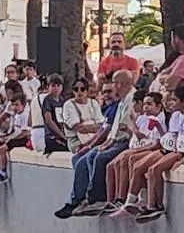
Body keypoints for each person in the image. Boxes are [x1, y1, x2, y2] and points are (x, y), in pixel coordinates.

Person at [54, 68, 136, 217]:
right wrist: (102, 142)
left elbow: (121, 127)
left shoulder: (130, 99)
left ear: (120, 84)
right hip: (113, 140)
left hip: (125, 141)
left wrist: (104, 143)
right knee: (80, 159)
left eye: (114, 85)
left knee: (98, 158)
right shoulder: (121, 101)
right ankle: (77, 199)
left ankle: (95, 198)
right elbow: (108, 128)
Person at [136, 85, 184, 222]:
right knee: (150, 170)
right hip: (174, 149)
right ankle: (151, 204)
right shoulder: (176, 116)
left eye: (175, 100)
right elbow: (172, 135)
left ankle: (159, 205)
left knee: (156, 169)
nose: (172, 103)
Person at [104, 91, 166, 216]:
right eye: (144, 104)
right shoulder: (145, 118)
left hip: (154, 149)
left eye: (149, 104)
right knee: (111, 165)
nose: (145, 108)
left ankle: (127, 200)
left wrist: (133, 125)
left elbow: (155, 141)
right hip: (143, 146)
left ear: (158, 106)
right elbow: (140, 136)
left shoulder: (157, 120)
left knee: (133, 161)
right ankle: (113, 200)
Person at [61, 77, 105, 148]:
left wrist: (86, 126)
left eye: (82, 89)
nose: (79, 91)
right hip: (75, 139)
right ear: (73, 91)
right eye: (76, 89)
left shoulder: (94, 103)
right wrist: (94, 125)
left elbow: (101, 125)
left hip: (96, 137)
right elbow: (79, 128)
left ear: (87, 91)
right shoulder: (68, 105)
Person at [40, 73, 68, 154]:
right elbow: (49, 120)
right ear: (48, 87)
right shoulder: (47, 100)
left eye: (58, 86)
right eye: (53, 86)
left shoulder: (62, 100)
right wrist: (61, 134)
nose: (56, 88)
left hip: (62, 132)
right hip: (52, 136)